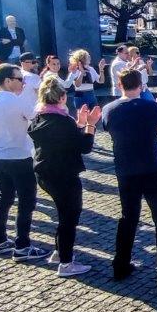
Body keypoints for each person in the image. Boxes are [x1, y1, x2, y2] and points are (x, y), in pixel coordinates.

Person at [101, 69, 157, 289]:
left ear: (120, 85)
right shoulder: (151, 107)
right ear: (140, 85)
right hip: (152, 169)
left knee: (128, 218)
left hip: (125, 171)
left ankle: (120, 265)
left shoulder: (108, 109)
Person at [28, 75, 99, 277]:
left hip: (44, 172)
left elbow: (63, 138)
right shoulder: (63, 121)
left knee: (62, 214)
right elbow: (84, 147)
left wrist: (79, 123)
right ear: (61, 98)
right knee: (69, 217)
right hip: (64, 175)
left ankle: (60, 252)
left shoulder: (39, 118)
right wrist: (90, 124)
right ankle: (67, 263)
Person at [0, 62, 46, 259]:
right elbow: (36, 119)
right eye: (19, 79)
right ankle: (22, 245)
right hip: (18, 156)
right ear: (7, 81)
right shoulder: (18, 101)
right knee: (26, 201)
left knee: (5, 197)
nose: (23, 83)